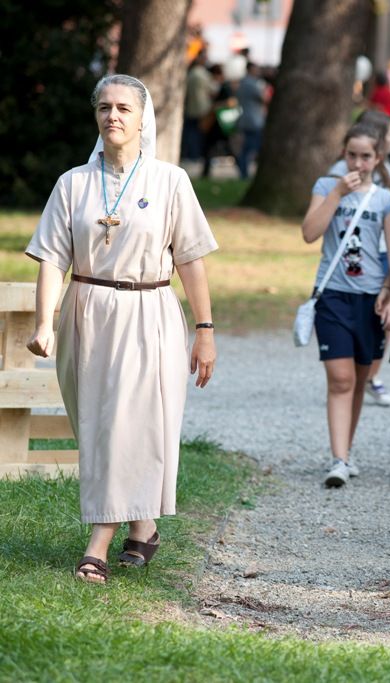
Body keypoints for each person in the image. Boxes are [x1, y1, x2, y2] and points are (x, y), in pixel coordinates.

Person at [26, 74, 218, 584]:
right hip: (87, 311)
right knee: (98, 426)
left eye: (124, 109)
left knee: (129, 423)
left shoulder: (170, 181)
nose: (114, 116)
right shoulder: (73, 184)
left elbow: (192, 260)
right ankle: (144, 524)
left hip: (149, 310)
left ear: (142, 119)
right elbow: (50, 259)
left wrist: (205, 328)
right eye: (105, 107)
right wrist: (45, 321)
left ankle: (98, 543)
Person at [301, 122, 390, 488]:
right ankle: (339, 459)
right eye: (352, 155)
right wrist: (336, 195)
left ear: (378, 159)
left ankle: (346, 449)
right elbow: (309, 233)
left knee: (360, 378)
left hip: (370, 300)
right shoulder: (326, 187)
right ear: (342, 155)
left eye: (366, 157)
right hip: (332, 295)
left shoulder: (385, 199)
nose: (358, 164)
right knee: (341, 379)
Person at [236, 61, 267, 180]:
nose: (258, 71)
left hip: (245, 118)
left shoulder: (242, 83)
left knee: (247, 147)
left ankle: (243, 170)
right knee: (251, 147)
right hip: (254, 119)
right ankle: (244, 171)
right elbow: (263, 98)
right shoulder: (252, 84)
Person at [183, 51, 215, 162]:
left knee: (190, 133)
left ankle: (190, 154)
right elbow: (213, 90)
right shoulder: (204, 74)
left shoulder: (190, 73)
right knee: (199, 134)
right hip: (203, 108)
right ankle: (196, 155)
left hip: (190, 108)